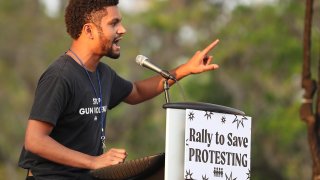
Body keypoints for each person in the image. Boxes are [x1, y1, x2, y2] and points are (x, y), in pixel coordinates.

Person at [18, 0, 220, 179]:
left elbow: (137, 92)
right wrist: (93, 162)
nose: (122, 29)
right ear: (88, 30)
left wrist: (185, 69)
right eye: (113, 23)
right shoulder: (60, 76)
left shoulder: (103, 73)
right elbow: (35, 140)